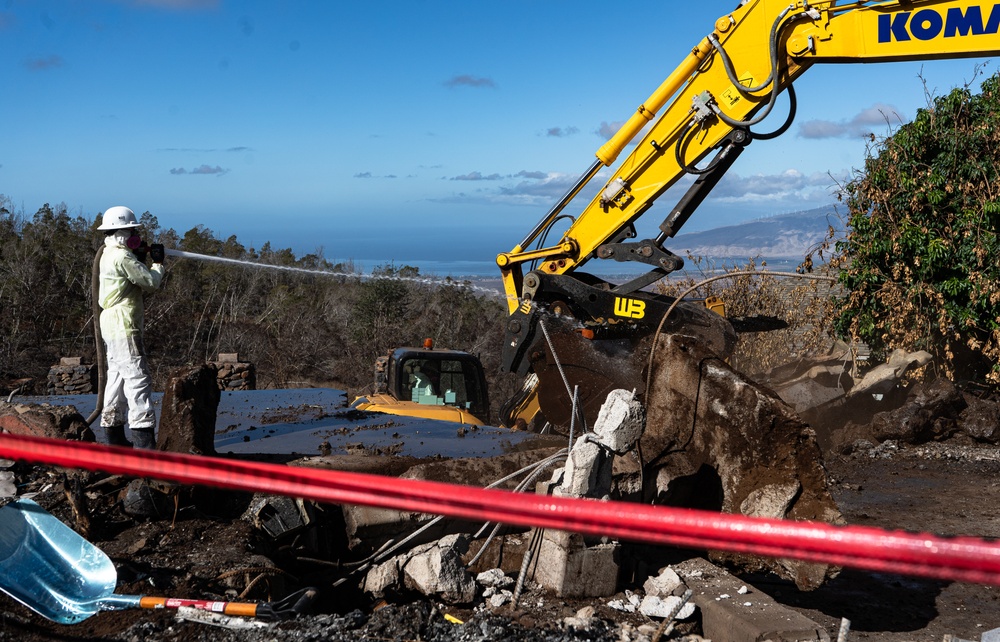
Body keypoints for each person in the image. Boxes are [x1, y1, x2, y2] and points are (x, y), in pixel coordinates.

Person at [96, 206, 165, 449]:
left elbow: (128, 275)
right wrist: (157, 263)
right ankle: (144, 444)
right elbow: (150, 282)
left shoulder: (108, 253)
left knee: (115, 379)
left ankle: (114, 440)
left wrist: (140, 257)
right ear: (121, 233)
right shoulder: (122, 256)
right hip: (124, 325)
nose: (135, 235)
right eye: (132, 230)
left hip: (111, 325)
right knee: (138, 379)